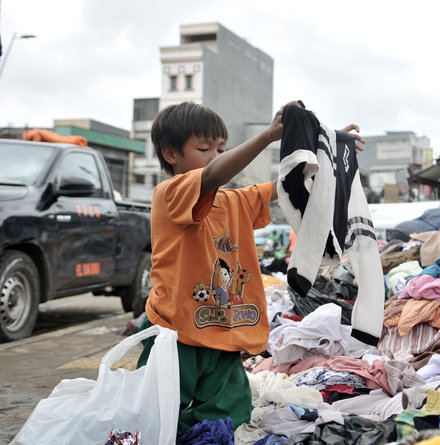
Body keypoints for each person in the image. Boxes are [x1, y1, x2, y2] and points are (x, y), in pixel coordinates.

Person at [135, 100, 364, 437]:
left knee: (229, 415)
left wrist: (327, 147)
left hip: (223, 333)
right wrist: (269, 136)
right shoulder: (169, 194)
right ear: (171, 154)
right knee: (157, 417)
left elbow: (287, 183)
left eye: (221, 148)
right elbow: (214, 174)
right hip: (176, 333)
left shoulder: (233, 201)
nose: (215, 156)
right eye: (204, 148)